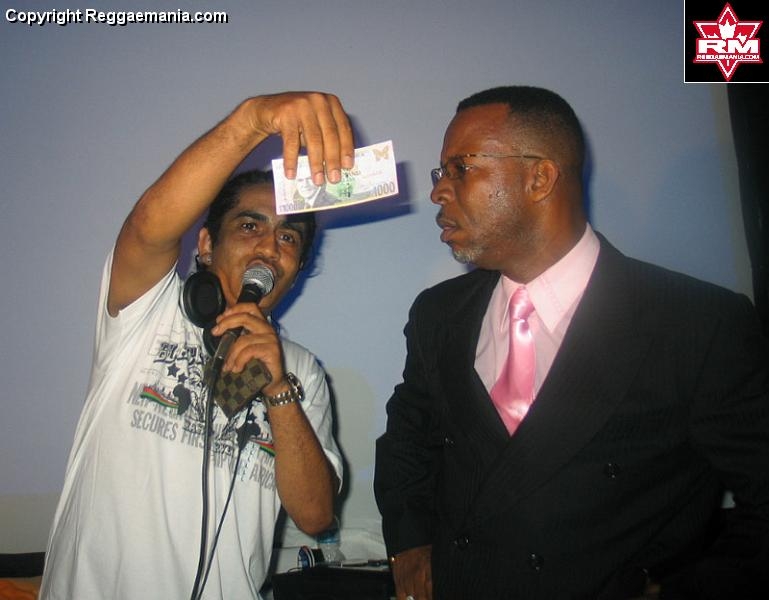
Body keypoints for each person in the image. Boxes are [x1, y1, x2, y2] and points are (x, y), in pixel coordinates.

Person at [374, 86, 769, 600]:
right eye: (440, 173)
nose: (438, 192)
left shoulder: (697, 323)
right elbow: (408, 441)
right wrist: (409, 545)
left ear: (539, 178)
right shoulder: (439, 314)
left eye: (461, 169)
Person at [40, 92, 354, 599]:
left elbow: (316, 516)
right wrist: (254, 120)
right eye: (249, 226)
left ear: (297, 269)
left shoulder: (301, 372)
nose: (269, 247)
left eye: (288, 238)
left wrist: (278, 389)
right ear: (206, 245)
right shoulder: (149, 311)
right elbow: (147, 226)